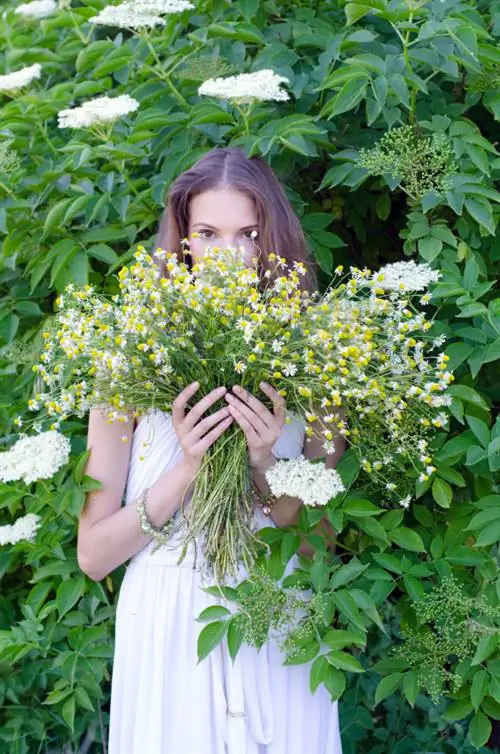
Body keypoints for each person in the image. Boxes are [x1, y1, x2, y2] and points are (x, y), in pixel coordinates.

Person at [77, 146, 345, 754]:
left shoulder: (323, 358)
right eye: (209, 233)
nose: (230, 255)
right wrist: (188, 467)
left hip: (276, 608)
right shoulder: (130, 359)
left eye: (249, 233)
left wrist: (264, 464)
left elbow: (317, 544)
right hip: (170, 619)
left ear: (273, 238)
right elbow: (93, 555)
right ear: (185, 240)